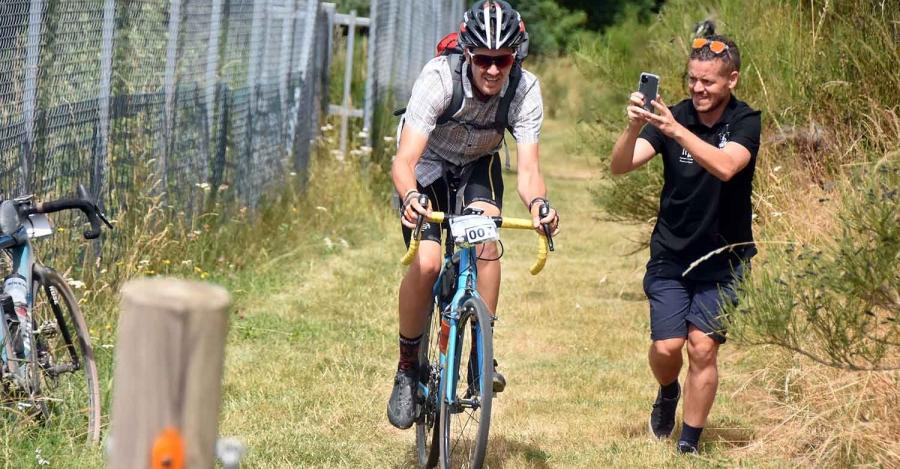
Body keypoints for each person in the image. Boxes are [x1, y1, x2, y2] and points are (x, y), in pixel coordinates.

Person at [386, 0, 560, 430]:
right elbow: (403, 160)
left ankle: (481, 352)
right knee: (427, 263)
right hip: (426, 168)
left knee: (485, 243)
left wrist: (539, 205)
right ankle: (408, 368)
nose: (494, 70)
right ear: (467, 53)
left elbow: (530, 171)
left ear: (515, 56)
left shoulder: (524, 89)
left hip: (478, 166)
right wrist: (410, 197)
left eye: (503, 60)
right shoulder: (438, 78)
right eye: (484, 59)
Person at [608, 33, 761, 454]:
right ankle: (667, 392)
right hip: (671, 254)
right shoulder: (672, 115)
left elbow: (727, 167)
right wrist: (635, 125)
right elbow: (620, 166)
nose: (697, 89)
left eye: (708, 82)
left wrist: (675, 132)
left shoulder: (746, 121)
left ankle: (688, 445)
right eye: (692, 79)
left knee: (702, 347)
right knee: (667, 347)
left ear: (732, 79)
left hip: (724, 258)